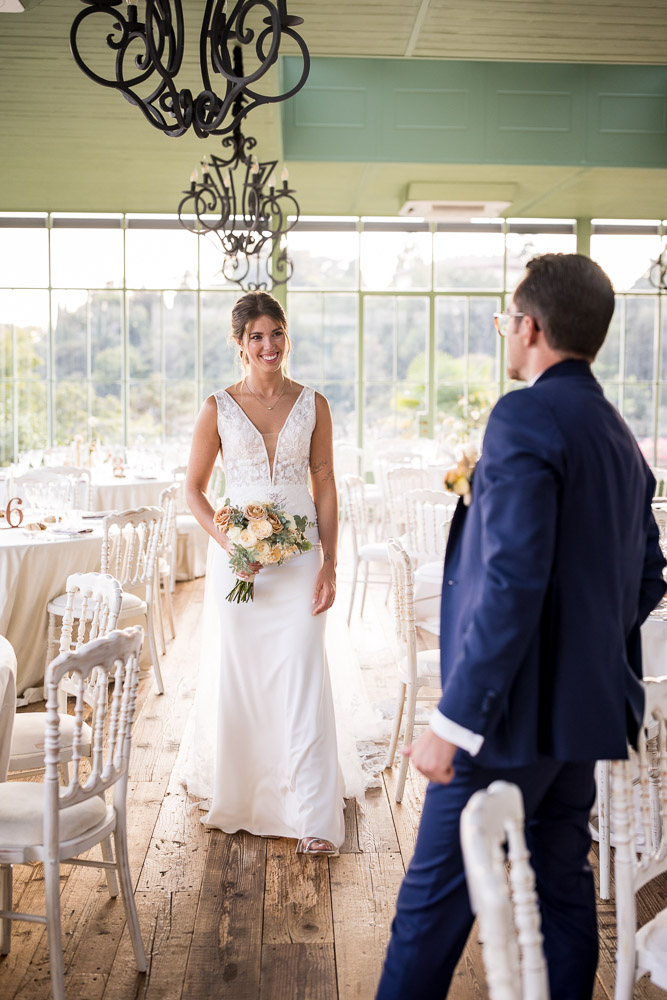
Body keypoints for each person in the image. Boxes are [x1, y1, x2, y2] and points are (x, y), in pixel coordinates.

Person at [376, 253, 666, 1000]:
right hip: (581, 716)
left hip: (506, 721)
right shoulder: (619, 436)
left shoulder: (525, 415)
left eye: (507, 318)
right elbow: (646, 577)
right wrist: (580, 652)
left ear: (530, 327)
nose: (505, 330)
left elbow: (510, 582)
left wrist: (453, 722)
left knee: (427, 913)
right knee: (561, 889)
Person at [182, 290, 345, 855]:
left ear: (286, 336)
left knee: (303, 670)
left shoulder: (314, 404)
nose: (269, 345)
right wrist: (232, 544)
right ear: (239, 343)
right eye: (256, 336)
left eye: (276, 333)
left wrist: (330, 561)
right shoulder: (217, 407)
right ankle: (247, 797)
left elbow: (325, 483)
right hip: (241, 566)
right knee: (247, 678)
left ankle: (314, 814)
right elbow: (193, 491)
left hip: (300, 559)